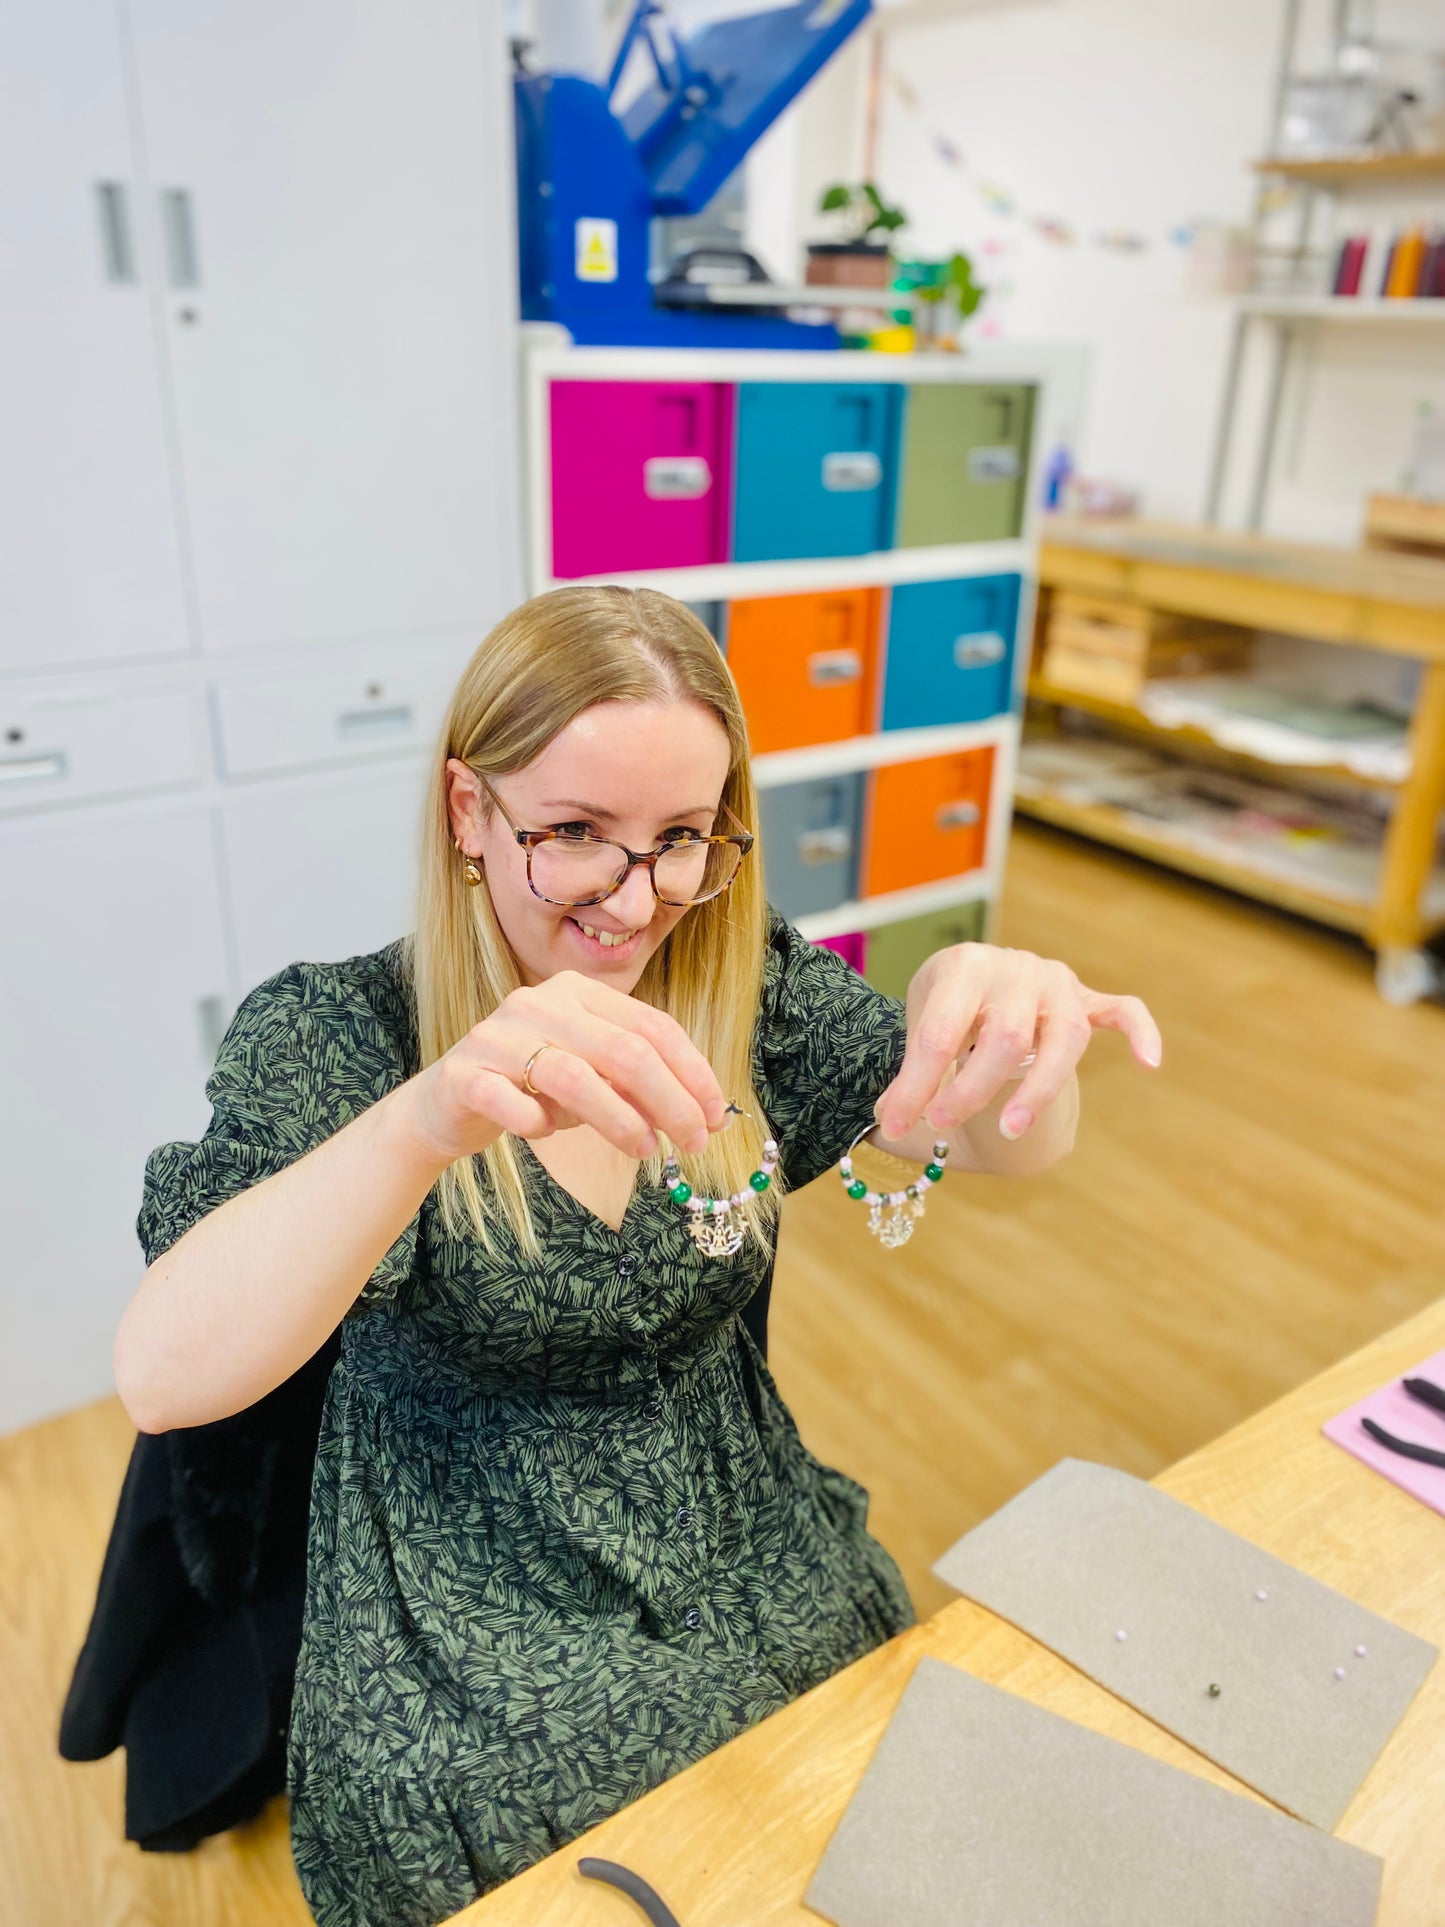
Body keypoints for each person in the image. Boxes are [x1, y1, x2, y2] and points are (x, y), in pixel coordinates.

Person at [114, 586, 1160, 1927]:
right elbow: (162, 1375)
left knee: (866, 1803)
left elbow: (1008, 1148)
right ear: (466, 814)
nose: (636, 898)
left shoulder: (740, 979)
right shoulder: (338, 1033)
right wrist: (427, 1118)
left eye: (682, 839)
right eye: (574, 835)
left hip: (742, 1523)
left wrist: (1007, 1028)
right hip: (466, 1595)